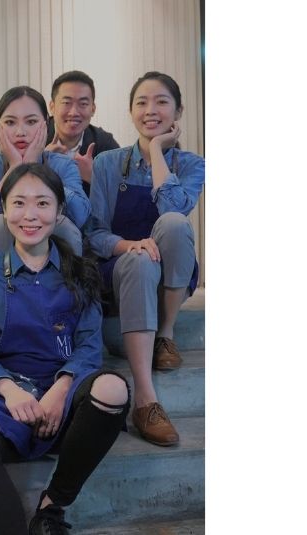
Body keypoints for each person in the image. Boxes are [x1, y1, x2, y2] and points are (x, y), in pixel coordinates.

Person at [0, 163, 130, 535]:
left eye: (42, 203)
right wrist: (10, 390)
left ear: (59, 211)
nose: (30, 215)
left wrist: (60, 390)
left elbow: (89, 347)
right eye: (19, 203)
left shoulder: (82, 273)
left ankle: (51, 509)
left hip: (67, 396)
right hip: (12, 397)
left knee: (113, 388)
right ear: (4, 210)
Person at [86, 72, 204, 447]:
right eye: (142, 102)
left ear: (178, 111)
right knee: (139, 260)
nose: (151, 110)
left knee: (173, 223)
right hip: (121, 271)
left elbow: (172, 208)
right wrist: (130, 245)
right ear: (130, 111)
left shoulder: (192, 165)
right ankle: (145, 399)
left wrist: (155, 151)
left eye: (162, 102)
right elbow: (94, 233)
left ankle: (165, 334)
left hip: (166, 278)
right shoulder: (107, 163)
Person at [0, 86, 90, 262]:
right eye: (10, 122)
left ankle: (66, 281)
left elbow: (80, 217)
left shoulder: (63, 164)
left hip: (54, 265)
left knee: (64, 225)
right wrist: (16, 168)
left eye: (31, 122)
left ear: (46, 125)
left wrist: (36, 171)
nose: (21, 132)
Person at [45, 70, 120, 195]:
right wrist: (41, 164)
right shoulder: (34, 138)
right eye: (66, 103)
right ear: (52, 107)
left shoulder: (104, 144)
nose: (74, 112)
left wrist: (94, 178)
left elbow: (121, 195)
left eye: (83, 104)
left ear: (93, 109)